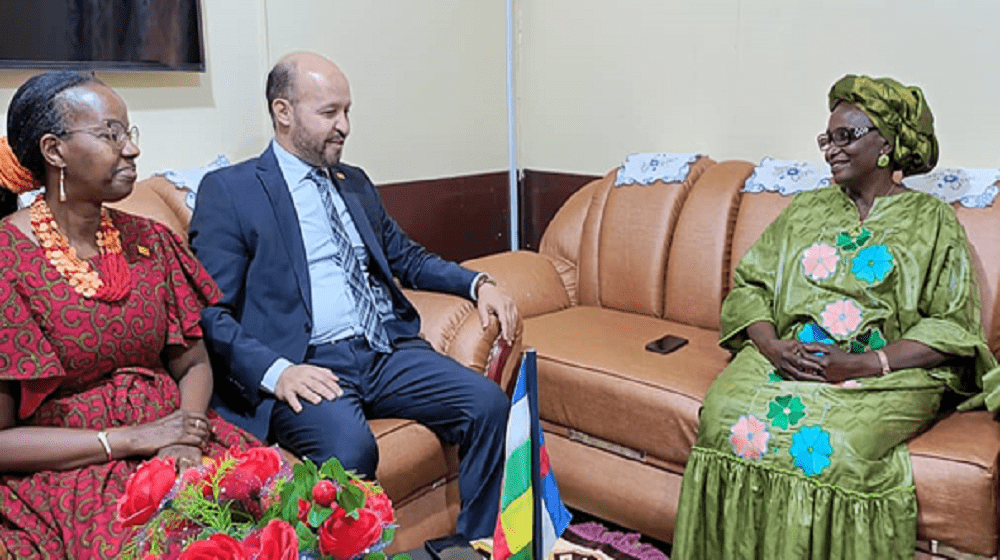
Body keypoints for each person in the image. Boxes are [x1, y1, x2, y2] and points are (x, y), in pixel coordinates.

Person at [188, 52, 518, 539]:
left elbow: (406, 258)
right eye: (328, 114)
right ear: (283, 112)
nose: (343, 126)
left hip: (384, 349)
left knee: (487, 404)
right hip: (308, 361)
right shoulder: (231, 191)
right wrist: (278, 374)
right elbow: (209, 312)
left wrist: (478, 283)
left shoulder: (355, 182)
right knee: (351, 451)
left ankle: (476, 545)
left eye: (347, 112)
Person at [672, 75, 1000, 559]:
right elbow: (750, 288)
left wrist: (863, 365)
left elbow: (952, 323)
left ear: (886, 143)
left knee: (835, 446)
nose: (831, 150)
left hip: (886, 371)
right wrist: (773, 347)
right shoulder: (805, 210)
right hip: (790, 356)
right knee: (724, 417)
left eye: (846, 136)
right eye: (828, 138)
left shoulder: (931, 220)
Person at [0, 71, 257, 558]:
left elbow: (194, 362)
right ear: (54, 150)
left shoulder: (152, 241)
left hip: (177, 437)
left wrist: (185, 433)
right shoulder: (6, 262)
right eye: (110, 134)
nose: (131, 149)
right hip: (76, 467)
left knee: (291, 514)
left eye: (129, 133)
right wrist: (128, 440)